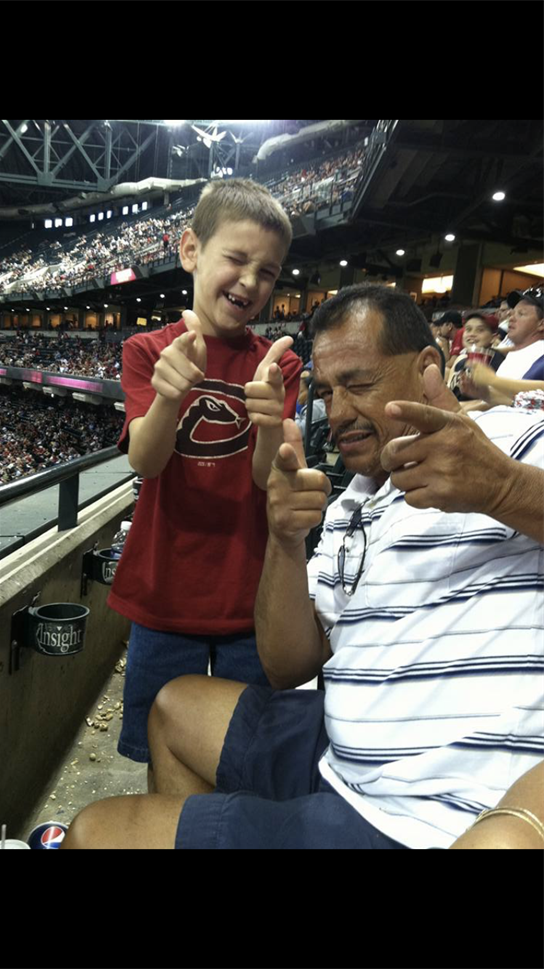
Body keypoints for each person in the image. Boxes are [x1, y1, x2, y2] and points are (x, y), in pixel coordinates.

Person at [63, 284, 544, 849]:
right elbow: (288, 665)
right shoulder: (348, 504)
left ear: (427, 367)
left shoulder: (516, 440)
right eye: (325, 389)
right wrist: (285, 539)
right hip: (340, 747)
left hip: (445, 803)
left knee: (97, 834)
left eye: (360, 384)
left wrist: (504, 489)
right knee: (176, 705)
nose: (338, 413)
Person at [107, 178, 302, 772]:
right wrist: (169, 395)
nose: (250, 281)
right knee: (164, 757)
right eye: (237, 259)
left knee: (248, 758)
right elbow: (146, 461)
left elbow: (265, 478)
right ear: (191, 250)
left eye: (267, 272)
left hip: (250, 601)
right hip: (164, 593)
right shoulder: (148, 350)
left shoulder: (279, 362)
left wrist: (270, 423)